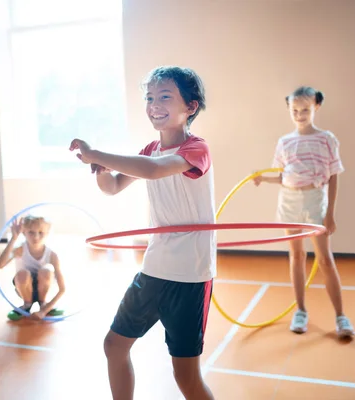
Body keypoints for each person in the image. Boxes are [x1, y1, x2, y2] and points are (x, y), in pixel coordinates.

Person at [69, 66, 216, 400]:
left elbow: (152, 172)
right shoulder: (150, 148)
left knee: (185, 376)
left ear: (190, 107)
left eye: (165, 97)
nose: (154, 104)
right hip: (154, 268)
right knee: (114, 345)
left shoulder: (197, 149)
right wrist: (101, 170)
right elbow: (113, 187)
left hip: (190, 275)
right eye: (150, 98)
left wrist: (97, 154)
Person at [253, 86, 355, 339]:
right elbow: (286, 176)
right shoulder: (285, 142)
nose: (300, 114)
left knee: (324, 259)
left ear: (316, 107)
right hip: (289, 202)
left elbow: (333, 177)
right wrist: (264, 179)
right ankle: (300, 310)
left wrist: (330, 213)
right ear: (289, 109)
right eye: (295, 110)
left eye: (305, 110)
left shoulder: (327, 139)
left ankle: (341, 316)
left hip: (314, 200)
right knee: (296, 256)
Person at [0, 215, 66, 321]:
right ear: (24, 232)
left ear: (47, 233)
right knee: (23, 274)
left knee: (46, 271)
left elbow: (62, 289)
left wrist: (44, 311)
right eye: (31, 232)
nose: (36, 237)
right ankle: (27, 304)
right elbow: (0, 265)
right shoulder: (20, 249)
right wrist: (14, 238)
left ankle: (43, 303)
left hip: (43, 287)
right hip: (25, 288)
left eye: (41, 232)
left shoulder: (52, 255)